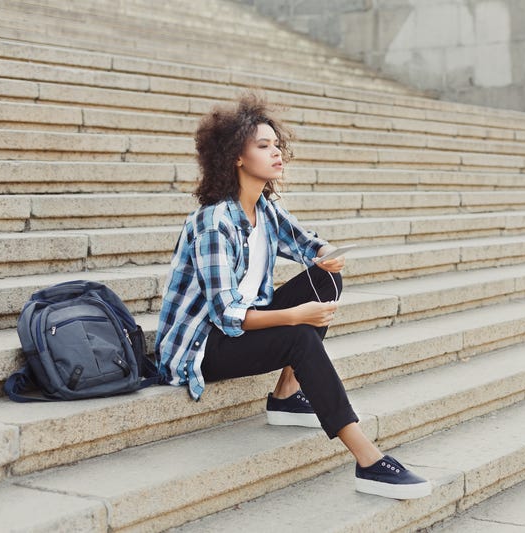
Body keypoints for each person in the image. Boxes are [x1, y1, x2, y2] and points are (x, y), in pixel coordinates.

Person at [154, 92, 431, 500]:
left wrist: (324, 255)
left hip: (236, 327)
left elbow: (305, 242)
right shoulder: (214, 223)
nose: (277, 153)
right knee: (300, 334)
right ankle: (368, 460)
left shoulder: (263, 210)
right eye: (263, 146)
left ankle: (286, 395)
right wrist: (295, 315)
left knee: (325, 280)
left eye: (277, 144)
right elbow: (228, 315)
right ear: (236, 157)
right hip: (201, 347)